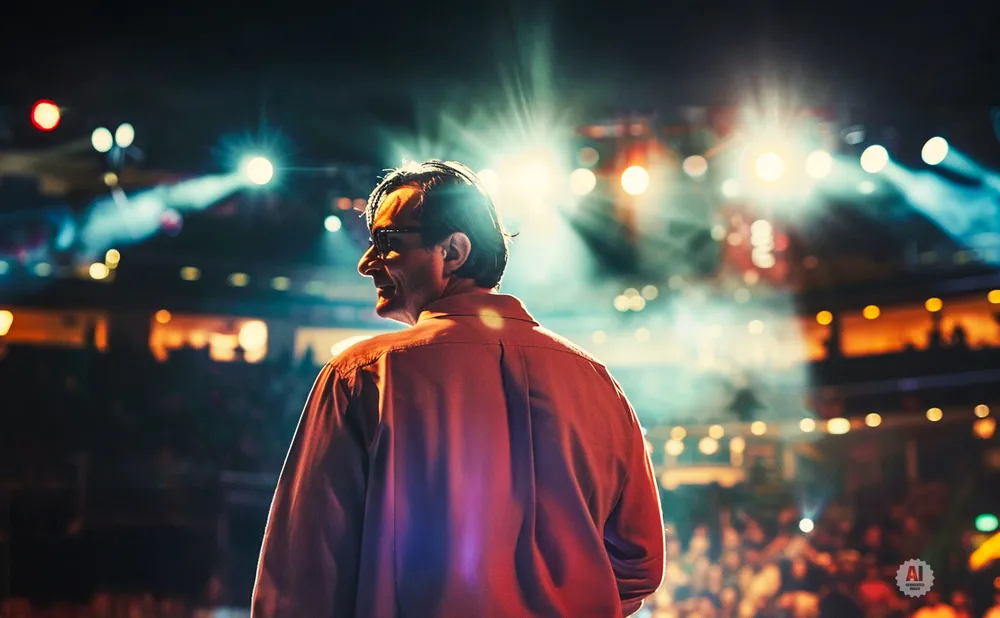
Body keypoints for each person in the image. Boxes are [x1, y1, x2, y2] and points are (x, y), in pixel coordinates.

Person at [251, 160, 665, 617]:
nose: (366, 262)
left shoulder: (364, 376)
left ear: (453, 250)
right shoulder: (598, 382)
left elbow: (304, 576)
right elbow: (640, 564)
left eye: (387, 242)